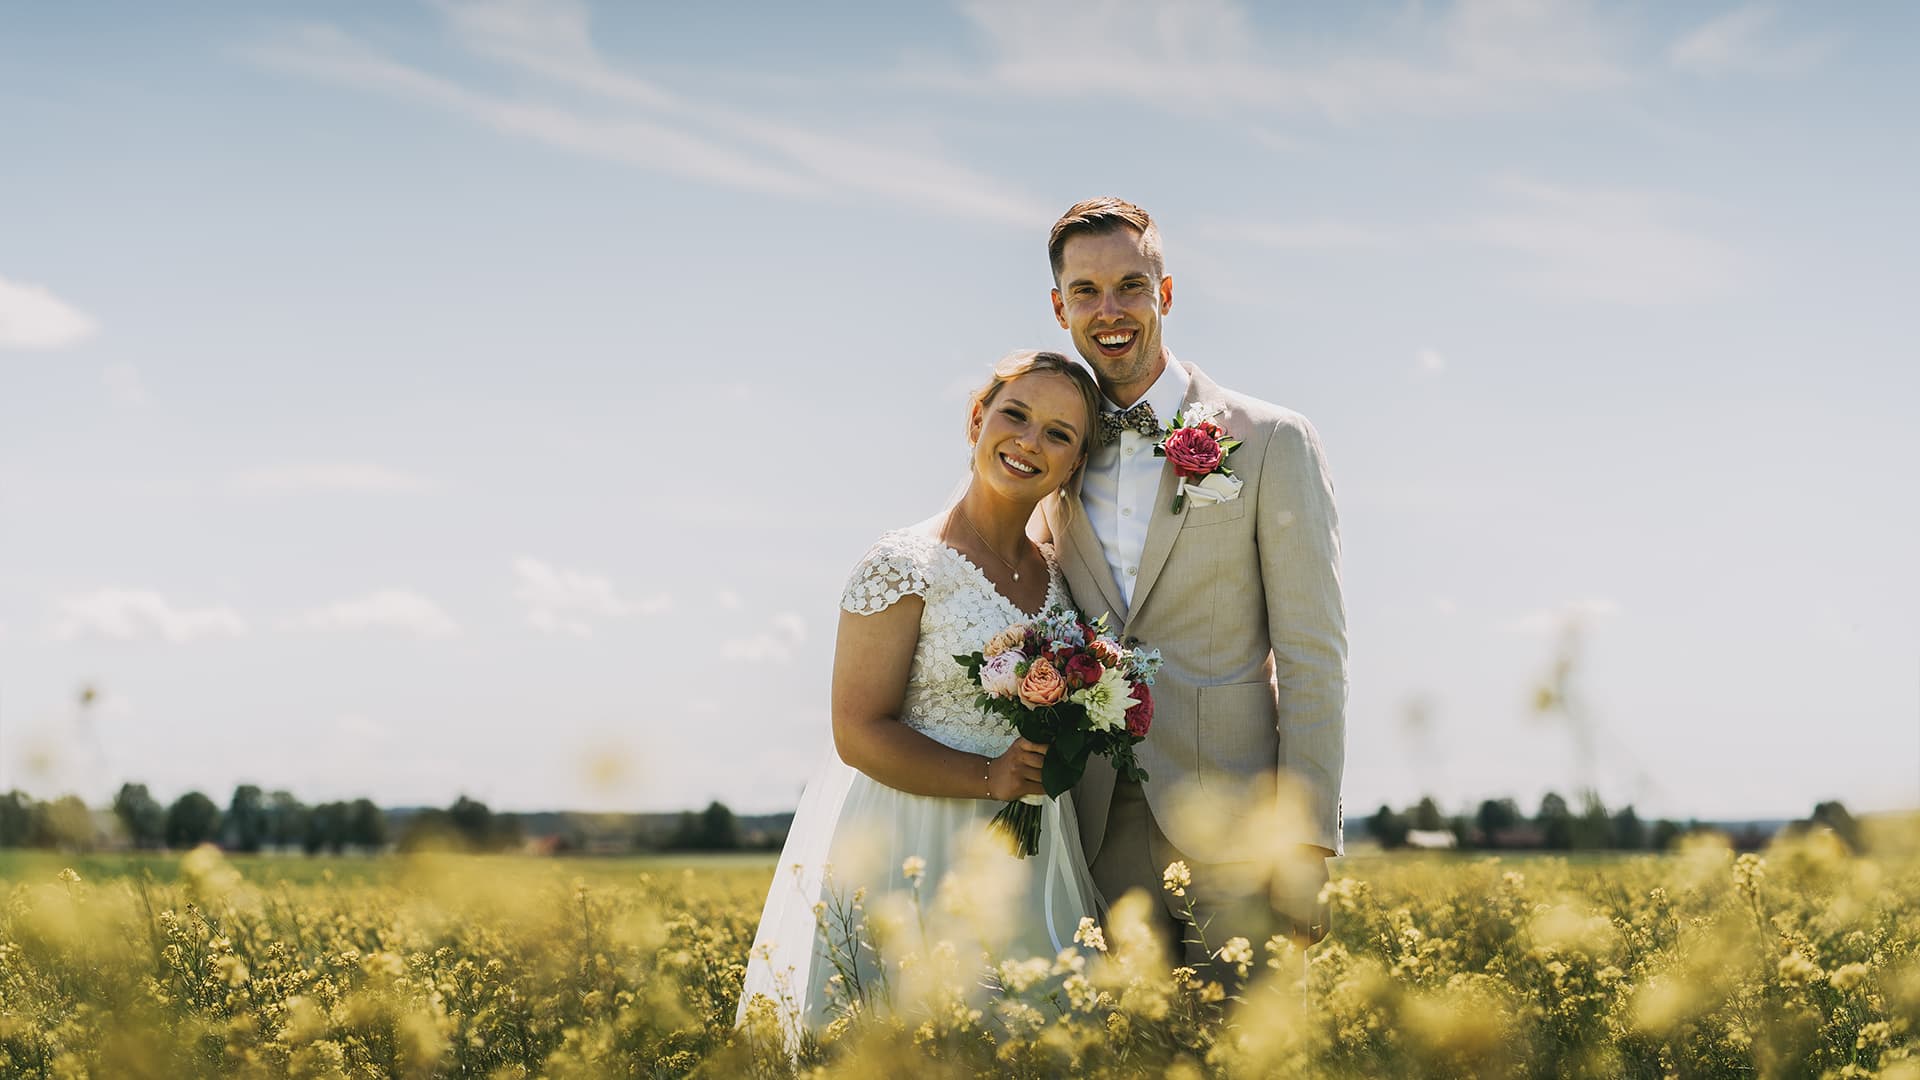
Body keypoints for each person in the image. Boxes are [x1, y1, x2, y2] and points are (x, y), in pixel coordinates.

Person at [737, 350, 1107, 1042]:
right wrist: (988, 776)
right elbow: (858, 730)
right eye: (1015, 415)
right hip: (912, 842)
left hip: (1028, 853)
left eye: (1059, 434)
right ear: (978, 419)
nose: (1029, 441)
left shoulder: (1062, 578)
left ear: (1076, 461)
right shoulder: (902, 563)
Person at [1035, 197, 1348, 975]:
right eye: (1085, 292)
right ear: (1059, 307)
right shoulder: (1052, 455)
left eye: (1131, 286)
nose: (1109, 311)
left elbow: (1313, 652)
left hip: (1239, 833)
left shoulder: (1271, 440)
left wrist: (1305, 844)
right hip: (1094, 832)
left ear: (1166, 294)